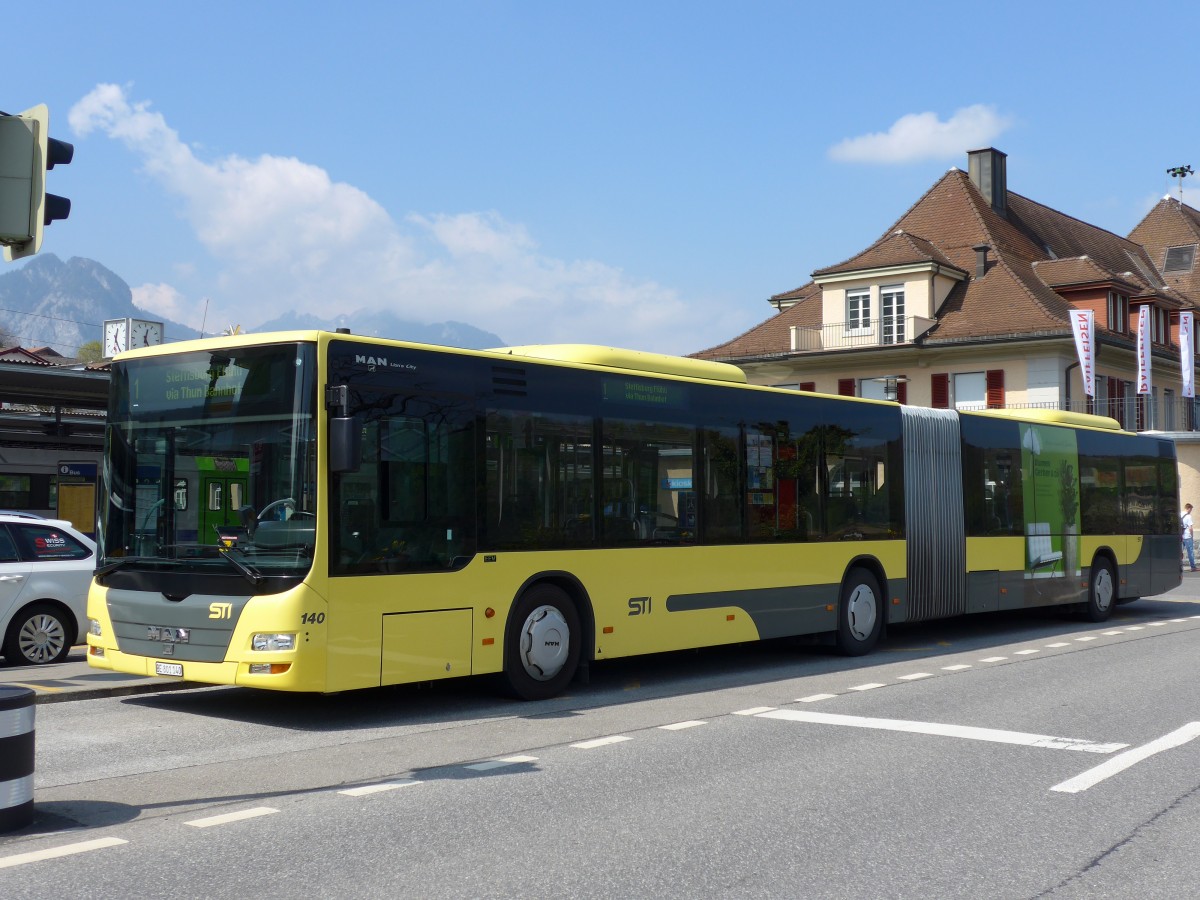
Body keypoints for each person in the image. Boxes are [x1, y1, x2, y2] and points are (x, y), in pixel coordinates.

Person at [1183, 504, 1196, 572]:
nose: (1191, 511)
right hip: (1187, 536)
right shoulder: (1188, 516)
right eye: (1191, 509)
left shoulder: (1180, 514)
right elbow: (1190, 528)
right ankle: (1193, 567)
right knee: (1190, 552)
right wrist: (1192, 536)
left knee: (1180, 552)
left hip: (1181, 536)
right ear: (1188, 508)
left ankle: (1178, 567)